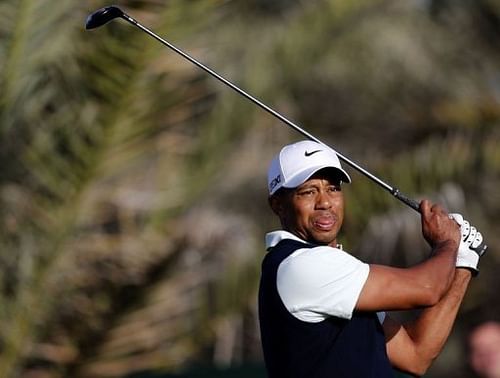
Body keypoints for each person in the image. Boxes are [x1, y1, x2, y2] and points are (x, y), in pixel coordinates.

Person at [258, 140, 486, 377]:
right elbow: (428, 288)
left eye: (333, 188)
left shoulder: (337, 276)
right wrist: (448, 242)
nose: (325, 202)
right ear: (278, 205)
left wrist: (463, 263)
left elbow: (415, 355)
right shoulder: (299, 265)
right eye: (308, 191)